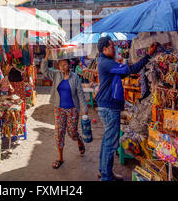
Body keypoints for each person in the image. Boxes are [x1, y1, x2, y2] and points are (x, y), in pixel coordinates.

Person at [96, 36, 157, 181]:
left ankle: (104, 171)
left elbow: (121, 74)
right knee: (111, 143)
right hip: (109, 107)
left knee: (107, 141)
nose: (114, 48)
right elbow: (130, 70)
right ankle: (106, 176)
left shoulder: (106, 62)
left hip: (107, 106)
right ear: (104, 49)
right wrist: (148, 55)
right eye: (112, 46)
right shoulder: (106, 63)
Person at [41, 48, 89, 169]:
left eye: (64, 64)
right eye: (60, 65)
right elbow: (44, 70)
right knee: (58, 133)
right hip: (59, 109)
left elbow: (81, 95)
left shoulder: (75, 78)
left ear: (69, 65)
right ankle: (60, 158)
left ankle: (79, 140)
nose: (62, 67)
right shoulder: (56, 75)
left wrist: (84, 110)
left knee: (72, 132)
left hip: (73, 109)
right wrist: (46, 56)